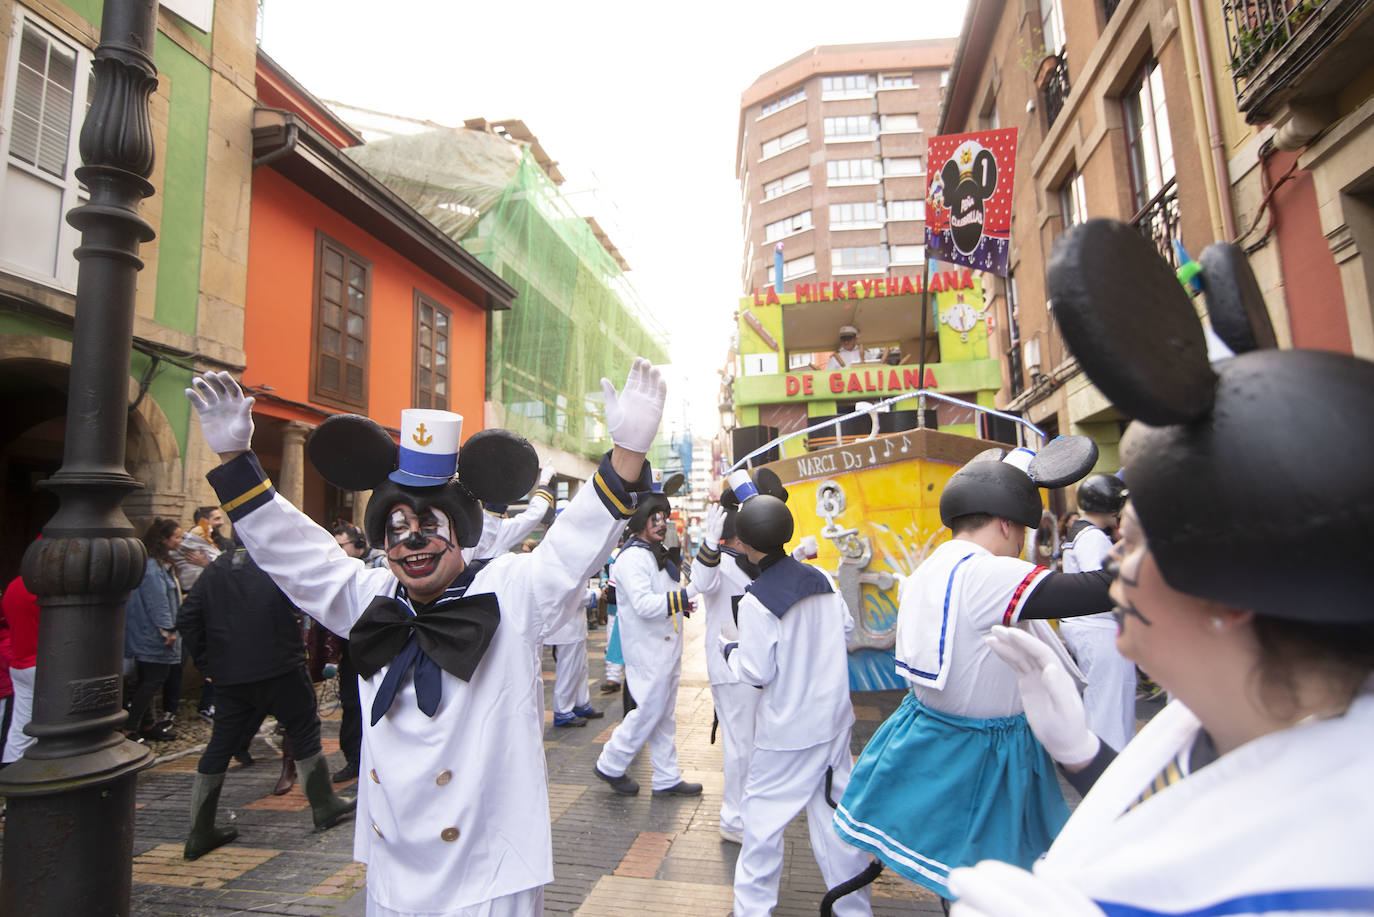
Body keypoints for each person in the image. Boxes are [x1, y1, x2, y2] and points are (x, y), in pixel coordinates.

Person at [946, 217, 1374, 916]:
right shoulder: (1223, 718)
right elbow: (1189, 810)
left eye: (1142, 540)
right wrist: (1084, 753)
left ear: (1232, 590)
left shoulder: (1341, 870)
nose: (1118, 556)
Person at [186, 360, 664, 917]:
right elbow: (294, 553)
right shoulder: (369, 598)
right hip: (395, 868)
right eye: (395, 527)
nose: (412, 539)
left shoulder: (510, 588)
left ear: (460, 533)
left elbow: (573, 544)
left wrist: (627, 452)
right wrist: (234, 460)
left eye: (430, 525)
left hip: (490, 870)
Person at [833, 441, 1115, 902]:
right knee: (994, 883)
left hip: (936, 737)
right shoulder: (987, 573)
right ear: (1007, 523)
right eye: (1023, 530)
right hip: (987, 752)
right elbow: (1100, 589)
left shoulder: (933, 567)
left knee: (961, 878)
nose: (1022, 542)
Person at [717, 474, 873, 917]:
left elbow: (756, 671)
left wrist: (731, 651)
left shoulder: (755, 602)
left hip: (785, 736)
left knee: (762, 828)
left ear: (745, 545)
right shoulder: (822, 578)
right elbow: (844, 630)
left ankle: (752, 911)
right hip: (833, 725)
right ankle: (854, 910)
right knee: (836, 822)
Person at [178, 540, 354, 859]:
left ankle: (200, 830)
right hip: (281, 667)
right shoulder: (275, 563)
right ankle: (323, 804)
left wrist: (208, 664)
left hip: (232, 676)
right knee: (303, 728)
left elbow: (187, 618)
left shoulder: (215, 569)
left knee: (220, 744)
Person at [593, 477, 702, 797]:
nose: (662, 523)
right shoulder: (631, 558)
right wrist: (680, 601)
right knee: (649, 710)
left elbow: (665, 594)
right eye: (656, 517)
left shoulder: (655, 553)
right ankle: (611, 762)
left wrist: (681, 604)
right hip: (647, 649)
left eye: (664, 517)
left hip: (666, 646)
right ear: (641, 520)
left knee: (664, 714)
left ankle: (667, 776)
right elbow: (642, 604)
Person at [688, 494, 760, 844]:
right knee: (740, 746)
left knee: (751, 744)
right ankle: (733, 819)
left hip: (753, 666)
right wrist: (706, 542)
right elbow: (702, 581)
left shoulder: (750, 562)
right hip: (729, 669)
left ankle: (747, 811)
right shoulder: (719, 564)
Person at [1057, 473, 1134, 752]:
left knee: (1104, 702)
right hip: (1099, 629)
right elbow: (1101, 586)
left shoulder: (1080, 532)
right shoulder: (1092, 537)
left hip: (1088, 628)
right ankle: (1112, 768)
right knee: (1110, 707)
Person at [124, 519, 185, 742]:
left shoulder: (159, 564)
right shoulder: (151, 568)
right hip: (151, 634)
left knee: (151, 679)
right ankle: (131, 727)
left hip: (151, 632)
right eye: (176, 536)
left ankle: (147, 724)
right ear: (163, 539)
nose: (180, 540)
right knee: (152, 679)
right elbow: (157, 601)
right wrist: (168, 629)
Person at [327, 520, 368, 783]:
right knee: (352, 705)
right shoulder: (336, 574)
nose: (338, 550)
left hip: (376, 648)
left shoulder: (377, 567)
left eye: (341, 545)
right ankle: (354, 759)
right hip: (350, 651)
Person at [545, 582, 604, 727]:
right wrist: (599, 592)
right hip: (566, 629)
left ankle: (581, 703)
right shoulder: (560, 568)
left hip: (574, 627)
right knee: (569, 671)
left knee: (580, 668)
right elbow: (576, 595)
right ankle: (563, 710)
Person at [1, 548, 40, 764]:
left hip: (20, 663)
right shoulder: (43, 588)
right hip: (43, 663)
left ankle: (11, 774)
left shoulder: (14, 585)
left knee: (20, 729)